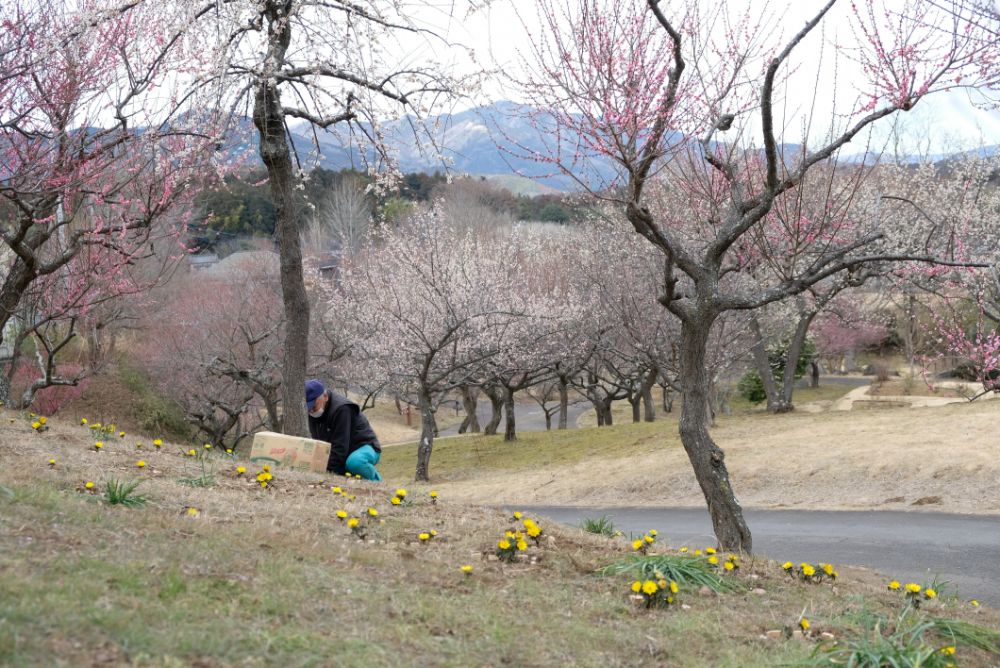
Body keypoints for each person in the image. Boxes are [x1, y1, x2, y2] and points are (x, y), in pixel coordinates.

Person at [305, 379, 383, 481]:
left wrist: (326, 472)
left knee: (355, 462)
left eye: (314, 406)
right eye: (308, 407)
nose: (311, 411)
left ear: (325, 397)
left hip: (365, 446)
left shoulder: (342, 409)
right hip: (345, 452)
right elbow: (321, 445)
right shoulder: (313, 413)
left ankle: (378, 484)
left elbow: (340, 447)